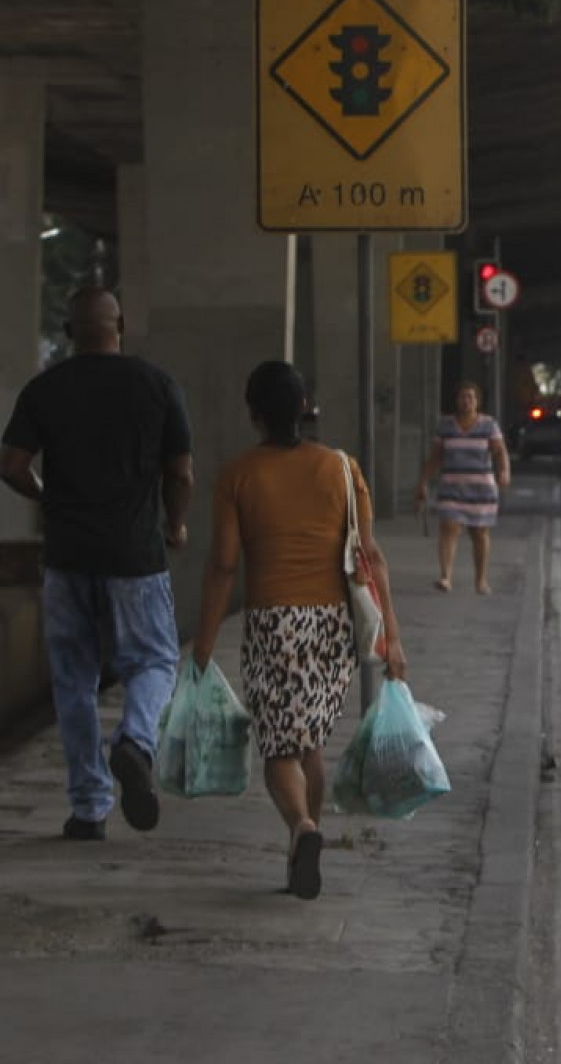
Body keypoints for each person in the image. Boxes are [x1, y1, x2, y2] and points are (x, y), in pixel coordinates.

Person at [191, 362, 405, 900]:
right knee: (309, 742)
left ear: (254, 414)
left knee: (279, 749)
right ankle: (300, 855)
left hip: (273, 623)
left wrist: (203, 642)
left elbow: (223, 566)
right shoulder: (342, 468)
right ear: (305, 406)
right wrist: (393, 638)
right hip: (331, 624)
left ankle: (302, 827)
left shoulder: (238, 475)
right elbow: (371, 556)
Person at [1, 287, 193, 842]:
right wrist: (176, 524)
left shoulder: (46, 388)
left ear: (68, 333)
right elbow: (181, 472)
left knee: (73, 681)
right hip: (135, 556)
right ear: (121, 325)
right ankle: (134, 740)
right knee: (155, 660)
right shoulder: (157, 385)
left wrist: (46, 496)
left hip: (68, 556)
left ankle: (88, 808)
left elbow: (11, 464)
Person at [415, 381, 511, 595]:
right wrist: (422, 482)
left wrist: (504, 471)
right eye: (462, 397)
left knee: (479, 533)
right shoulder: (446, 426)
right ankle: (446, 576)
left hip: (481, 490)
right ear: (457, 401)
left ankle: (481, 580)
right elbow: (435, 457)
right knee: (449, 527)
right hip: (452, 488)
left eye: (470, 397)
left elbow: (499, 451)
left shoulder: (488, 425)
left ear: (477, 401)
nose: (466, 401)